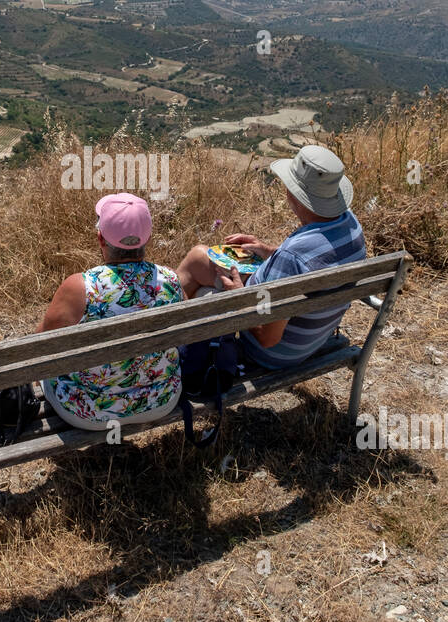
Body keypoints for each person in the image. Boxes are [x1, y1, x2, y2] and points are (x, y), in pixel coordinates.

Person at [176, 145, 366, 369]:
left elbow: (267, 337)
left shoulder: (291, 257)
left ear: (293, 194)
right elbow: (315, 262)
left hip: (273, 353)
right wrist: (266, 250)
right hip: (311, 336)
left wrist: (239, 296)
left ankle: (166, 345)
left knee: (196, 261)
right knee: (200, 258)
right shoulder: (350, 224)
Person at [38, 193, 185, 430]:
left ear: (100, 239)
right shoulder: (171, 280)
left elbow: (40, 346)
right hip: (161, 400)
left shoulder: (81, 287)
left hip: (92, 413)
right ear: (148, 237)